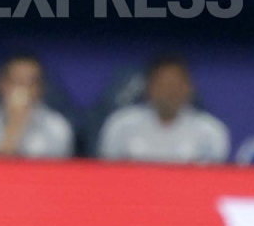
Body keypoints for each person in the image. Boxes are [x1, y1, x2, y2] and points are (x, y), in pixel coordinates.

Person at [98, 56, 229, 164]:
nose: (169, 92)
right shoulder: (121, 124)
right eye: (163, 85)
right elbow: (105, 173)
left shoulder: (210, 131)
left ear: (190, 88)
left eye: (176, 85)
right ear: (148, 87)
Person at [0, 55, 74, 159]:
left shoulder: (57, 127)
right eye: (16, 81)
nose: (22, 89)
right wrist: (15, 124)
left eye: (30, 83)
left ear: (40, 88)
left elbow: (56, 175)